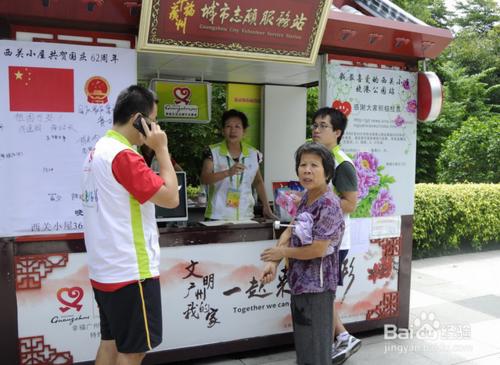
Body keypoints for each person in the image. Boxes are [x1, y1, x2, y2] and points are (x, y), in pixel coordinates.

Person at [81, 85, 179, 365]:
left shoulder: (97, 150)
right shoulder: (124, 156)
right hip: (131, 271)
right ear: (138, 119)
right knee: (132, 351)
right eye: (153, 120)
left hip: (106, 270)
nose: (155, 127)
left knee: (110, 344)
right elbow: (171, 197)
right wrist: (162, 150)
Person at [260, 142, 345, 365]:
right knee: (306, 349)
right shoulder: (307, 197)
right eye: (302, 164)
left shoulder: (329, 204)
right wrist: (275, 262)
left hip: (317, 288)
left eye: (314, 165)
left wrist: (280, 252)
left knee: (316, 353)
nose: (306, 170)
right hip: (299, 284)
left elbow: (317, 249)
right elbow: (291, 230)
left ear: (327, 172)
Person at [311, 107, 361, 364]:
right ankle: (340, 338)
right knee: (323, 293)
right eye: (315, 125)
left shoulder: (341, 164)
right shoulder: (321, 159)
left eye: (323, 126)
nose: (316, 130)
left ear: (337, 132)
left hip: (334, 241)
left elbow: (350, 203)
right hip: (321, 238)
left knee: (324, 293)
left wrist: (315, 203)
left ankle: (342, 337)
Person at [200, 109, 276, 221]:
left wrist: (267, 207)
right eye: (228, 126)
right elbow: (204, 179)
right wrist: (227, 173)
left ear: (244, 131)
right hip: (217, 216)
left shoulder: (253, 154)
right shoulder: (213, 152)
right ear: (222, 130)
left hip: (245, 215)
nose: (233, 130)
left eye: (237, 126)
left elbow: (258, 182)